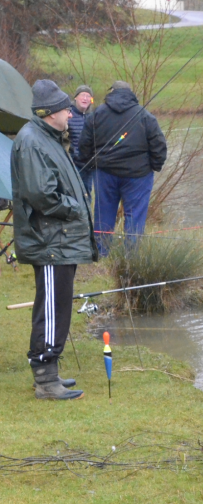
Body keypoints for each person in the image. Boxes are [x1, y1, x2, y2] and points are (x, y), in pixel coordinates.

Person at [11, 79, 98, 400]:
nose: (71, 115)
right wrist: (75, 207)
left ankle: (52, 371)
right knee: (51, 308)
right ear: (50, 113)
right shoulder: (33, 141)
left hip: (59, 241)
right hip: (49, 243)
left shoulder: (47, 137)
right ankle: (46, 379)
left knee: (59, 305)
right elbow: (42, 195)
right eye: (66, 110)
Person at [78, 80, 167, 255]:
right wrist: (154, 166)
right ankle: (131, 257)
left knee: (103, 214)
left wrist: (90, 164)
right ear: (130, 94)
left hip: (105, 173)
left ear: (111, 93)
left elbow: (84, 145)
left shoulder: (97, 114)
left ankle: (101, 253)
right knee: (134, 218)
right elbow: (159, 145)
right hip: (138, 176)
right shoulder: (144, 116)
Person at [68, 84, 94, 196]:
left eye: (88, 96)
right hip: (72, 164)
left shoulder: (93, 117)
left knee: (86, 195)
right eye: (82, 95)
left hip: (89, 166)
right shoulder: (67, 114)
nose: (85, 98)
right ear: (75, 98)